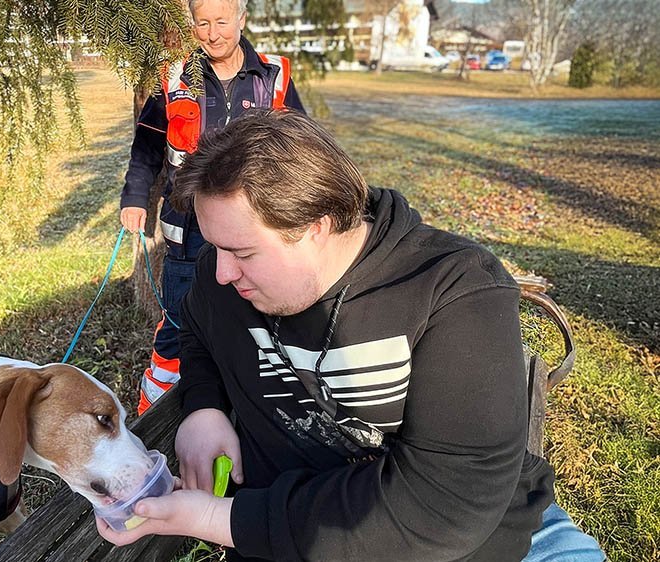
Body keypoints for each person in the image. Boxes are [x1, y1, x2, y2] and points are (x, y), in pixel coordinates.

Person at [97, 110, 605, 561]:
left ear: (319, 225)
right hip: (295, 537)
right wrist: (204, 409)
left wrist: (213, 519)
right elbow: (199, 332)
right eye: (215, 246)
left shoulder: (453, 288)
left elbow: (445, 506)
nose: (222, 272)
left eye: (244, 253)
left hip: (488, 543)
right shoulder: (221, 272)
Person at [119, 0, 304, 415]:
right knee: (181, 321)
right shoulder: (173, 76)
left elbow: (299, 146)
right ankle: (156, 412)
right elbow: (147, 146)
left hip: (253, 229)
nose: (213, 32)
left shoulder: (274, 76)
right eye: (203, 23)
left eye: (222, 21)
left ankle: (249, 406)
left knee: (255, 316)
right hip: (187, 230)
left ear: (241, 19)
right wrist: (134, 197)